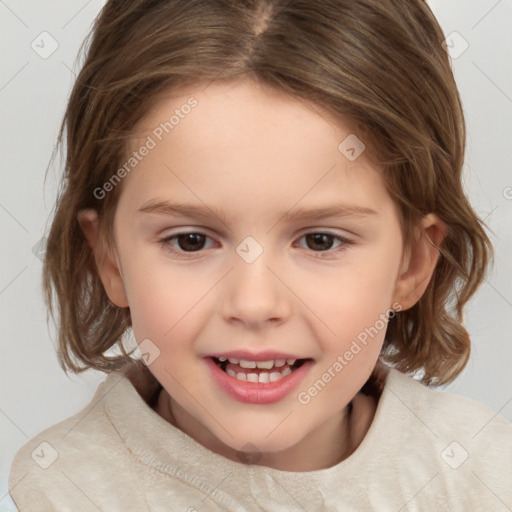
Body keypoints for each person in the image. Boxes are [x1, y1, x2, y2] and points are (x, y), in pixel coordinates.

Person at [8, 0, 511, 510]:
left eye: (320, 241)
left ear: (412, 265)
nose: (253, 303)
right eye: (191, 240)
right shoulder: (65, 487)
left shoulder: (482, 474)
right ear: (111, 259)